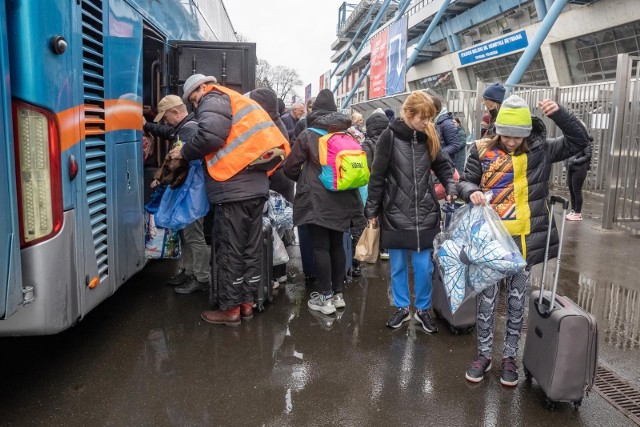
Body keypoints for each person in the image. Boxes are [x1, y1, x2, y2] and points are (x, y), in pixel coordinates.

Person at [457, 95, 589, 386]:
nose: (511, 141)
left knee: (517, 303)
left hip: (524, 243)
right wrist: (470, 192)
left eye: (518, 136)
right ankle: (483, 356)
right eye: (506, 134)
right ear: (497, 129)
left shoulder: (542, 151)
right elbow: (464, 181)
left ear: (528, 133)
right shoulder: (480, 150)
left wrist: (561, 115)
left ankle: (509, 358)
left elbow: (580, 141)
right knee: (487, 302)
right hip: (490, 242)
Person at [171, 74, 289, 326]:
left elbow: (210, 136)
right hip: (255, 186)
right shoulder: (234, 100)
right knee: (250, 249)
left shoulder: (213, 97)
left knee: (229, 249)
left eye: (194, 97)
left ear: (203, 87)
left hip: (233, 187)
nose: (195, 104)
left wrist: (184, 150)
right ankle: (247, 303)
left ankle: (230, 309)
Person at [364, 91, 457, 333]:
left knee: (424, 267)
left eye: (430, 117)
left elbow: (443, 166)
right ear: (408, 113)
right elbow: (377, 175)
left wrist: (450, 185)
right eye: (423, 117)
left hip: (426, 212)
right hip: (395, 211)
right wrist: (372, 209)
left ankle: (423, 309)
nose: (427, 122)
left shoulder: (429, 136)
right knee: (397, 267)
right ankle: (403, 307)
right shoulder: (389, 137)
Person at [283, 89, 363, 315]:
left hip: (317, 200)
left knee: (320, 246)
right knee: (337, 245)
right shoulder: (347, 135)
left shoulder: (308, 135)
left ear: (314, 110)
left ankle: (325, 297)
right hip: (344, 197)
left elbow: (290, 167)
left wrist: (304, 178)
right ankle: (338, 295)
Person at [144, 95, 210, 294]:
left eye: (166, 117)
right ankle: (190, 272)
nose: (165, 122)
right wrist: (147, 125)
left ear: (176, 112)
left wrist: (161, 178)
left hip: (193, 193)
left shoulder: (189, 130)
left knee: (193, 235)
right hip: (189, 191)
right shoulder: (185, 127)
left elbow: (180, 163)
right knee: (186, 233)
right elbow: (169, 132)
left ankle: (201, 278)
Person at [248, 87, 294, 285]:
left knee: (272, 230)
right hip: (283, 181)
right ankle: (279, 273)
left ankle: (273, 275)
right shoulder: (278, 123)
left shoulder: (267, 126)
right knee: (279, 229)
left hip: (274, 182)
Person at [565, 134, 592, 221]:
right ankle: (573, 210)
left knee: (576, 190)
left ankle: (578, 213)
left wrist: (576, 161)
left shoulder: (585, 141)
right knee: (571, 190)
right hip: (571, 168)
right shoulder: (572, 140)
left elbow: (588, 155)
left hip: (580, 169)